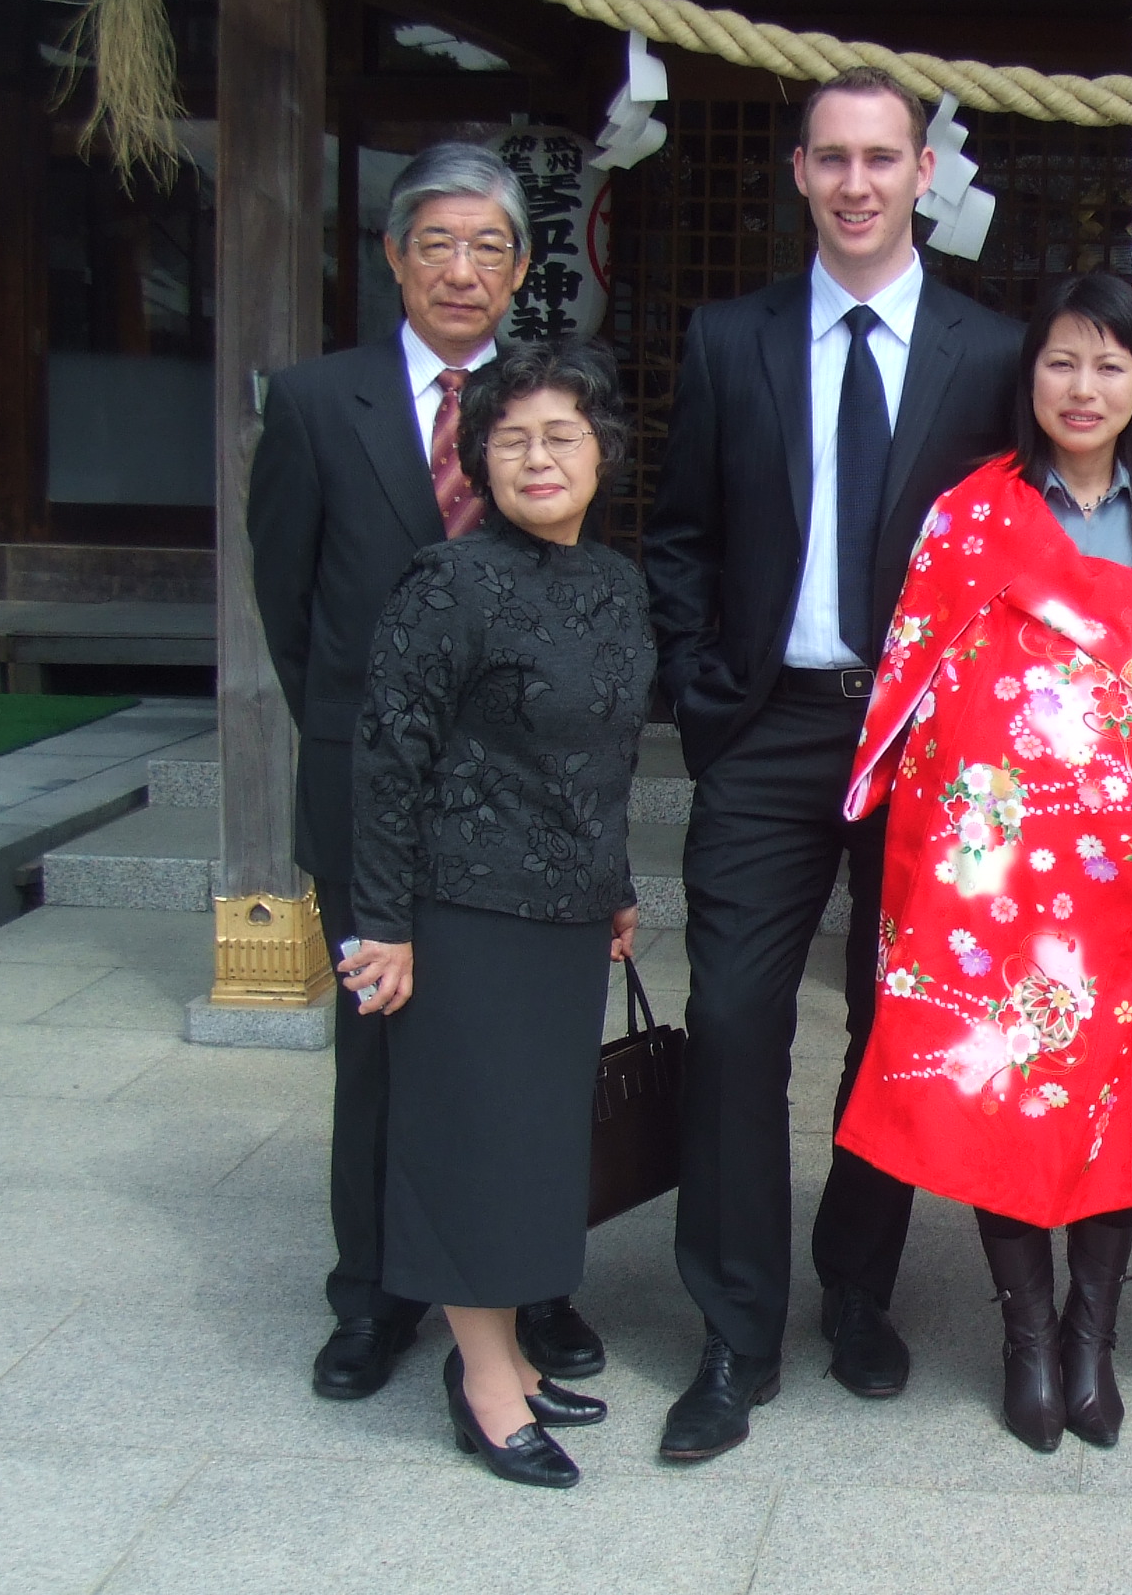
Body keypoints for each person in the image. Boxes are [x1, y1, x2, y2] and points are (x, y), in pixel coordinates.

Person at [643, 66, 1027, 1462]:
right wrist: (705, 696)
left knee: (895, 1019)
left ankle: (859, 1288)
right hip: (770, 725)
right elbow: (680, 534)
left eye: (881, 157)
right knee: (738, 1020)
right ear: (799, 173)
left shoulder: (993, 353)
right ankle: (734, 1330)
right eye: (831, 158)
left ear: (925, 172)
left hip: (929, 735)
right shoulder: (728, 339)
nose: (856, 183)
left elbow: (1032, 539)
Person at [833, 272, 1132, 1454]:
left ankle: (1092, 1339)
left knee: (1118, 1097)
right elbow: (933, 672)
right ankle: (1026, 1336)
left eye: (1110, 365)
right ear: (1029, 378)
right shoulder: (974, 512)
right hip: (999, 876)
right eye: (1062, 362)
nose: (1084, 387)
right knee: (1007, 1090)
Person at [249, 142, 607, 1401]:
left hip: (527, 814)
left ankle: (533, 1288)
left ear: (520, 267)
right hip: (375, 794)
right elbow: (290, 612)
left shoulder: (546, 405)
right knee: (382, 1054)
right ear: (395, 257)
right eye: (438, 245)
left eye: (489, 247)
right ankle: (373, 1294)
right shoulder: (315, 403)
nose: (463, 270)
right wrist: (379, 744)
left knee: (523, 1064)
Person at [345, 338, 654, 1490]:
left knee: (534, 1149)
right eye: (511, 438)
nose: (537, 458)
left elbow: (607, 758)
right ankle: (481, 1381)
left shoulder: (615, 583)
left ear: (602, 454)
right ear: (478, 459)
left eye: (561, 436)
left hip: (567, 913)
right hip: (463, 909)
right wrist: (383, 924)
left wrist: (614, 884)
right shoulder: (449, 584)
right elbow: (387, 763)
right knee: (477, 1146)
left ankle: (513, 1353)